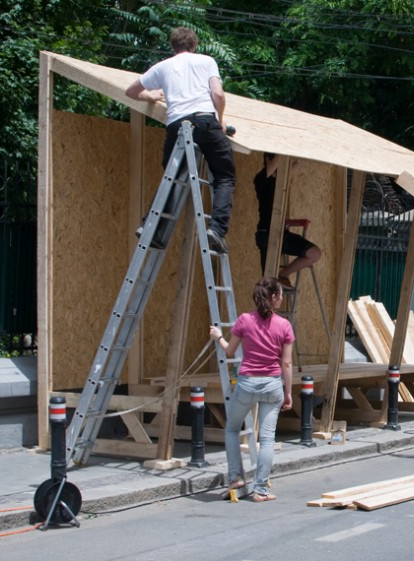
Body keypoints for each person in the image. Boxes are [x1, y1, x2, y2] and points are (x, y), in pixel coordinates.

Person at [125, 26, 236, 254]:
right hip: (205, 121)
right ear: (194, 45)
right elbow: (218, 94)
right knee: (224, 176)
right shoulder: (206, 61)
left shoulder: (162, 67)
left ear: (173, 46)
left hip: (177, 126)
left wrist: (151, 95)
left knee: (172, 178)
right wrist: (221, 120)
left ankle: (151, 226)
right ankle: (217, 229)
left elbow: (131, 91)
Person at [209, 277, 293, 502]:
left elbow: (230, 351)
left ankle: (236, 477)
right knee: (266, 439)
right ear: (274, 298)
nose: (283, 297)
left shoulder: (245, 320)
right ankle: (261, 491)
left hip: (247, 383)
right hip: (273, 383)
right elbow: (286, 364)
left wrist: (218, 338)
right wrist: (288, 393)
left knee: (232, 430)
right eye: (281, 294)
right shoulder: (284, 325)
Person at [253, 153, 322, 288]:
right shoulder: (261, 178)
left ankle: (283, 275)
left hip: (282, 234)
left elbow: (296, 165)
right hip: (267, 235)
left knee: (314, 253)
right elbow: (275, 162)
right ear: (268, 160)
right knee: (268, 283)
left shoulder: (280, 180)